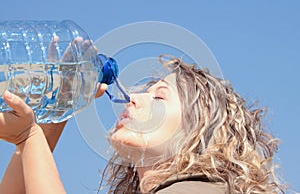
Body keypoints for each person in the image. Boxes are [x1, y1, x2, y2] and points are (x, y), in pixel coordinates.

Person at [0, 55, 286, 194]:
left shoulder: (201, 190)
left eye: (160, 96)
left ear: (200, 133)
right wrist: (58, 108)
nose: (133, 99)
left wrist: (29, 136)